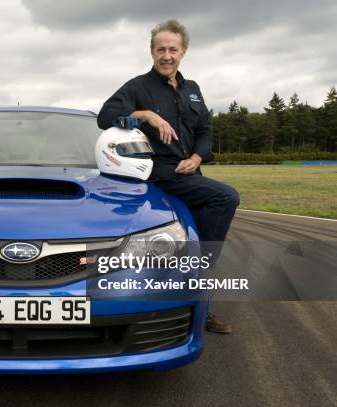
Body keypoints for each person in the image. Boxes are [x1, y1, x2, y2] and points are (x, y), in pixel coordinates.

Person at [97, 19, 240, 334]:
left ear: (183, 51)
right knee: (227, 196)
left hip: (190, 171)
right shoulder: (137, 87)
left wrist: (198, 156)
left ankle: (198, 305)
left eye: (172, 49)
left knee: (194, 239)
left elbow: (205, 129)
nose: (166, 55)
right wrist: (143, 114)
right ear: (152, 51)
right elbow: (105, 116)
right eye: (160, 49)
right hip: (160, 173)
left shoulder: (193, 90)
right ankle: (194, 277)